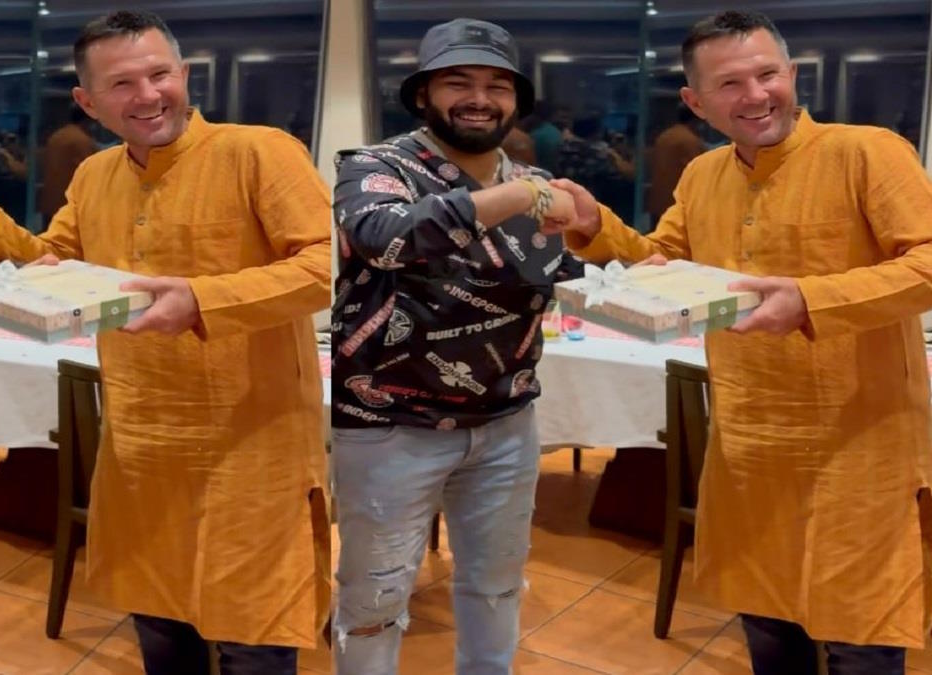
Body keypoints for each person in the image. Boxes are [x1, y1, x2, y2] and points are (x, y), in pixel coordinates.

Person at [0, 10, 332, 675]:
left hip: (252, 450)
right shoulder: (95, 175)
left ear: (185, 75)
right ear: (88, 101)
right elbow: (55, 262)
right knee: (159, 621)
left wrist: (202, 299)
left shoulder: (259, 151)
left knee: (252, 634)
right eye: (122, 84)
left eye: (159, 75)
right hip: (141, 446)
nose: (148, 95)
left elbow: (326, 266)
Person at [547, 10, 932, 675]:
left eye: (767, 74)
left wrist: (810, 298)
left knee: (859, 633)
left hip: (859, 446)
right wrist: (594, 226)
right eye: (730, 84)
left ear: (792, 74)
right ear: (697, 101)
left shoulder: (867, 152)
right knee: (766, 617)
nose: (756, 95)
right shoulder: (703, 175)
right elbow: (662, 262)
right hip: (750, 443)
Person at [330, 18, 580, 675]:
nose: (479, 99)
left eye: (498, 86)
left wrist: (621, 266)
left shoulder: (536, 181)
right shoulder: (375, 167)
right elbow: (385, 237)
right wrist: (517, 195)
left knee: (496, 587)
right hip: (389, 426)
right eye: (458, 83)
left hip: (506, 424)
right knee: (374, 602)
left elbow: (559, 274)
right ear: (423, 95)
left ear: (515, 101)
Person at [647, 103, 706, 225]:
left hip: (658, 203)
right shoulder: (690, 141)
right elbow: (700, 175)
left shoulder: (664, 136)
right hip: (678, 208)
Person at [38, 106, 97, 224]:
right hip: (69, 207)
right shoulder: (82, 141)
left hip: (50, 202)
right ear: (88, 119)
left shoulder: (56, 136)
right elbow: (93, 174)